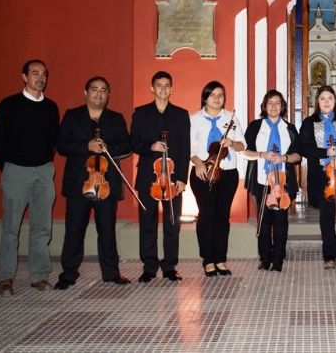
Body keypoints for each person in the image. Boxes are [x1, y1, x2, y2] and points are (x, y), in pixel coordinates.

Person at [0, 59, 59, 295]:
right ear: (24, 76)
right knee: (11, 227)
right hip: (15, 171)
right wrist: (10, 168)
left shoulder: (50, 107)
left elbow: (53, 141)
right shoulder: (9, 105)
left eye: (44, 74)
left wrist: (43, 164)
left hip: (43, 171)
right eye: (35, 73)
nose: (40, 78)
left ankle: (39, 276)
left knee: (42, 227)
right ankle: (6, 277)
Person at [54, 76, 132, 290]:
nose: (99, 94)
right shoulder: (72, 116)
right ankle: (68, 273)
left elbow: (126, 145)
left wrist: (107, 147)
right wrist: (87, 146)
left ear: (109, 94)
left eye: (103, 90)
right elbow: (62, 145)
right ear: (85, 92)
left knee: (107, 230)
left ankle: (111, 273)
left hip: (106, 184)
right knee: (74, 230)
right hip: (79, 183)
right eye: (94, 89)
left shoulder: (116, 119)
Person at [130, 71, 191, 283]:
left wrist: (183, 178)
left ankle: (169, 267)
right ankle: (149, 266)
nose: (163, 89)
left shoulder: (181, 115)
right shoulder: (140, 113)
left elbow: (185, 148)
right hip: (149, 175)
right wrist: (150, 146)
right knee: (147, 221)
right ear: (152, 88)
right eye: (159, 85)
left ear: (172, 89)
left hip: (174, 176)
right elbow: (133, 143)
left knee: (172, 222)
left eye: (167, 86)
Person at [189, 81, 246, 277]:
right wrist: (197, 162)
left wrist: (232, 142)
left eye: (221, 95)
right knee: (206, 215)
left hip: (228, 172)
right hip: (202, 172)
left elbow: (242, 146)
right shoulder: (193, 119)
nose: (217, 98)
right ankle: (208, 260)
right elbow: (188, 147)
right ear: (205, 98)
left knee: (223, 216)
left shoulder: (231, 118)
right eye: (212, 95)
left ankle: (220, 259)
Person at [300, 85, 336, 269]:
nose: (326, 102)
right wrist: (325, 152)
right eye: (322, 98)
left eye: (330, 98)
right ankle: (329, 254)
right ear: (317, 101)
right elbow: (304, 148)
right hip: (321, 176)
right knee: (326, 215)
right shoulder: (309, 122)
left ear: (335, 101)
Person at [242, 90, 301, 272]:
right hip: (261, 180)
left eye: (277, 103)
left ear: (282, 106)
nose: (274, 107)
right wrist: (262, 154)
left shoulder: (289, 129)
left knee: (281, 222)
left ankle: (278, 259)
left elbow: (298, 156)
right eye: (270, 103)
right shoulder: (255, 127)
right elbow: (244, 151)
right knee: (263, 221)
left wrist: (283, 158)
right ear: (264, 106)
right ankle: (264, 258)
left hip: (283, 182)